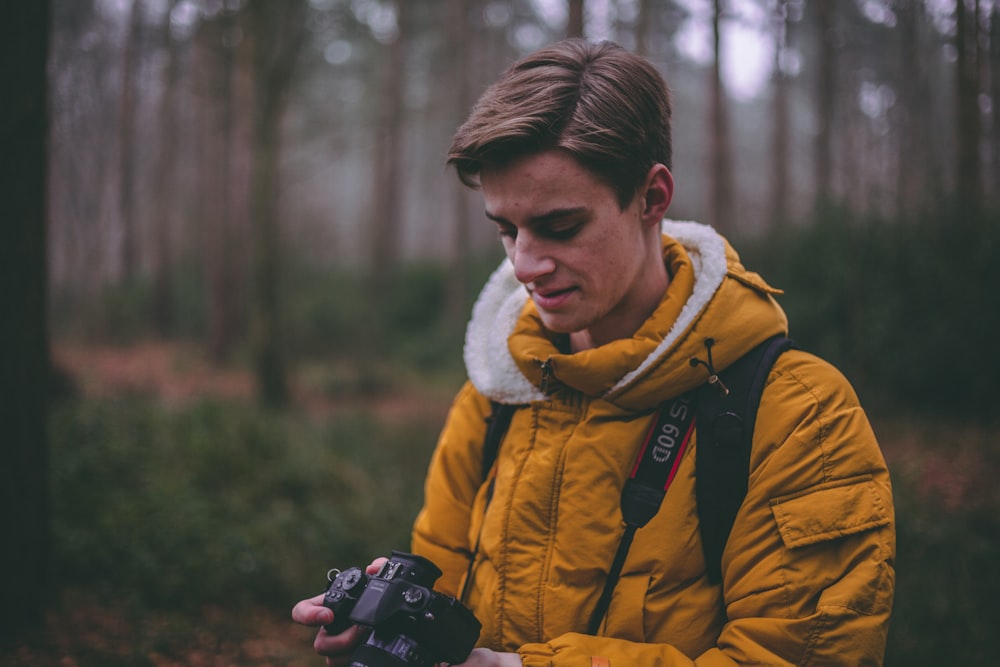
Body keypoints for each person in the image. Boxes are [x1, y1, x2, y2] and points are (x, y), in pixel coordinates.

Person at [293, 39, 895, 666]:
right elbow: (441, 578)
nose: (524, 264)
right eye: (506, 229)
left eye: (560, 227)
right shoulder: (497, 390)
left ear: (651, 197)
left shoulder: (801, 415)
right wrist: (384, 628)